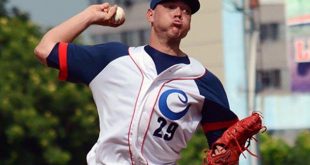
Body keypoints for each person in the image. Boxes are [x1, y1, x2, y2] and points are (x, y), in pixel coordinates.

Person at [34, 0, 239, 164]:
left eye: (186, 10)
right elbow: (45, 49)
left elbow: (225, 147)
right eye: (170, 6)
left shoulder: (204, 80)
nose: (179, 13)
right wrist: (89, 16)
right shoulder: (112, 58)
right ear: (150, 15)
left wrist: (226, 155)